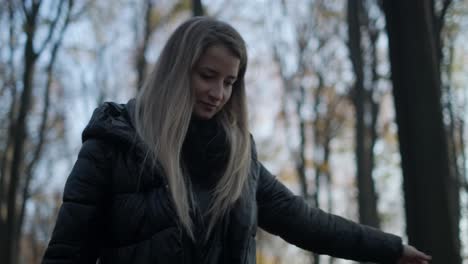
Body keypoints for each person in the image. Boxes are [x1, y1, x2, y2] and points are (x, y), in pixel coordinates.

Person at [42, 17, 431, 264]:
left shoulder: (238, 158)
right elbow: (67, 252)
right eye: (207, 75)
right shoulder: (114, 142)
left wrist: (390, 249)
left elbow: (304, 221)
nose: (218, 93)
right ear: (178, 71)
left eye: (229, 82)